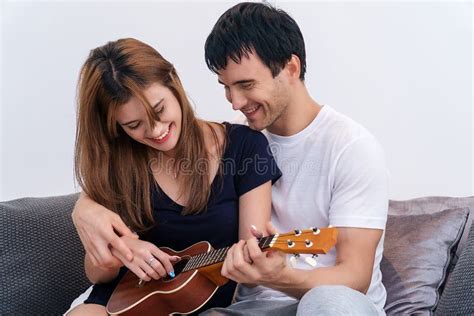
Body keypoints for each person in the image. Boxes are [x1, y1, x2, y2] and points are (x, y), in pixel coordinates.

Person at [72, 2, 389, 315]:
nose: (235, 102)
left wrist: (282, 278)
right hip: (250, 306)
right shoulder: (235, 141)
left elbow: (355, 278)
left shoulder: (351, 148)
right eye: (226, 87)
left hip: (330, 302)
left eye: (246, 85)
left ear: (291, 68)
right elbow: (128, 171)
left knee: (327, 302)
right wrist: (85, 209)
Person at [66, 37, 281, 315]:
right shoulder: (120, 161)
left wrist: (266, 264)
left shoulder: (245, 147)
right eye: (133, 125)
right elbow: (98, 275)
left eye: (159, 110)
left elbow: (249, 256)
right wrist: (121, 251)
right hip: (127, 298)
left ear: (173, 81)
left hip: (202, 303)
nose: (155, 131)